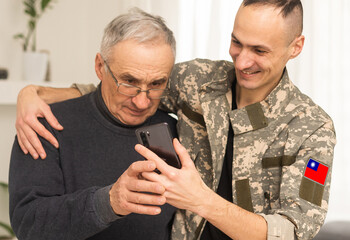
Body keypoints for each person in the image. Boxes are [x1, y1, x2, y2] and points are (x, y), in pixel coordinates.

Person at [15, 0, 336, 239]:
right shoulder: (199, 80)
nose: (243, 60)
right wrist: (34, 93)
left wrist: (202, 201)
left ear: (296, 47)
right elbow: (122, 88)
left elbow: (295, 230)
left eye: (260, 50)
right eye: (237, 42)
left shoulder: (313, 129)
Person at [9, 8, 179, 240]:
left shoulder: (176, 130)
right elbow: (28, 225)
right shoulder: (44, 125)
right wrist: (109, 202)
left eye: (156, 84)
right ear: (100, 66)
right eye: (129, 82)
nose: (142, 102)